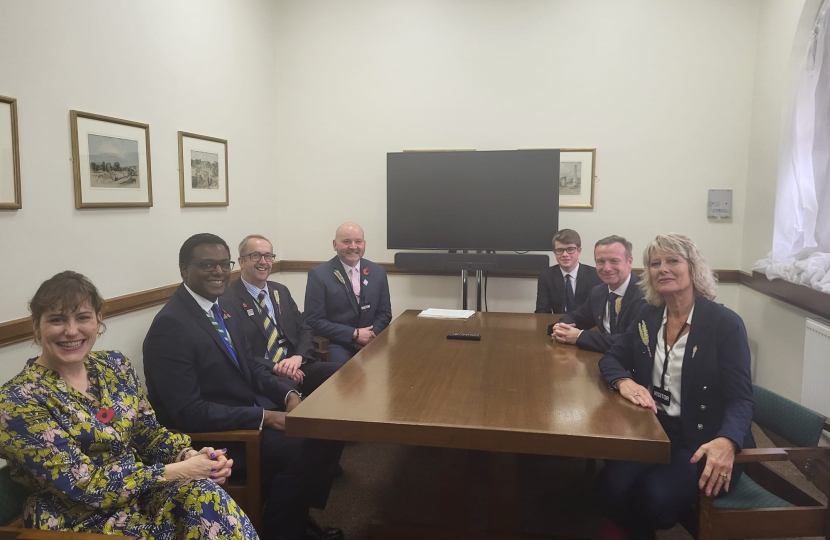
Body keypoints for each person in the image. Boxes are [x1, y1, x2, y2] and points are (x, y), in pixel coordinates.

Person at [0, 271, 257, 539]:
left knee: (204, 493)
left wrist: (188, 456)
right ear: (36, 326)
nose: (72, 331)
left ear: (99, 321)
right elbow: (83, 486)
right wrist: (177, 470)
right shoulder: (16, 400)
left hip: (142, 496)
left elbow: (149, 433)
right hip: (77, 521)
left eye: (83, 317)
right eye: (57, 320)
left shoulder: (114, 366)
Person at [142, 233, 342, 540]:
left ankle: (296, 516)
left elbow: (249, 366)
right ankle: (284, 531)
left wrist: (288, 393)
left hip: (246, 412)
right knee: (304, 447)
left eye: (223, 264)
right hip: (215, 439)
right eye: (207, 264)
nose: (219, 272)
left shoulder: (221, 309)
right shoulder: (171, 326)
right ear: (184, 270)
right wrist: (267, 417)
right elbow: (188, 413)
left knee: (325, 430)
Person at [596, 234, 755, 540]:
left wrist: (728, 441)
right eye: (655, 263)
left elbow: (742, 399)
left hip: (705, 439)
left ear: (693, 267)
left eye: (672, 261)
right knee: (607, 487)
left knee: (655, 500)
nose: (662, 269)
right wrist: (624, 381)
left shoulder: (725, 324)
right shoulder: (648, 315)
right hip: (655, 429)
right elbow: (612, 356)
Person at [223, 234, 338, 396]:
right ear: (241, 262)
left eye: (268, 256)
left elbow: (304, 329)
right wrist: (275, 367)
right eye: (255, 255)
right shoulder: (228, 300)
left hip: (295, 364)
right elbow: (236, 350)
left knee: (341, 373)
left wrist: (297, 358)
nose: (263, 261)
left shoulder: (280, 291)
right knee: (290, 389)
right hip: (262, 373)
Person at [304, 222, 392, 366]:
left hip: (372, 339)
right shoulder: (319, 275)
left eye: (358, 241)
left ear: (364, 244)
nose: (353, 246)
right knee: (348, 374)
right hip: (338, 343)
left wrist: (369, 336)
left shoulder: (378, 272)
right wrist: (354, 334)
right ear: (335, 245)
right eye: (346, 241)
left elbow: (384, 314)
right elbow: (314, 320)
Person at [550, 235, 647, 352]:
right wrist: (561, 327)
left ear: (629, 261)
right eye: (600, 261)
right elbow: (576, 317)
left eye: (614, 261)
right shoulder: (598, 292)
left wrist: (580, 336)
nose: (606, 268)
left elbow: (632, 342)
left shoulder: (646, 296)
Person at [535, 228, 602, 314]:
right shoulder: (546, 276)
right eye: (559, 250)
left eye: (570, 249)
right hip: (558, 324)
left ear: (579, 251)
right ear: (554, 252)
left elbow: (599, 310)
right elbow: (542, 311)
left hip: (586, 324)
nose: (565, 255)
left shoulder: (595, 275)